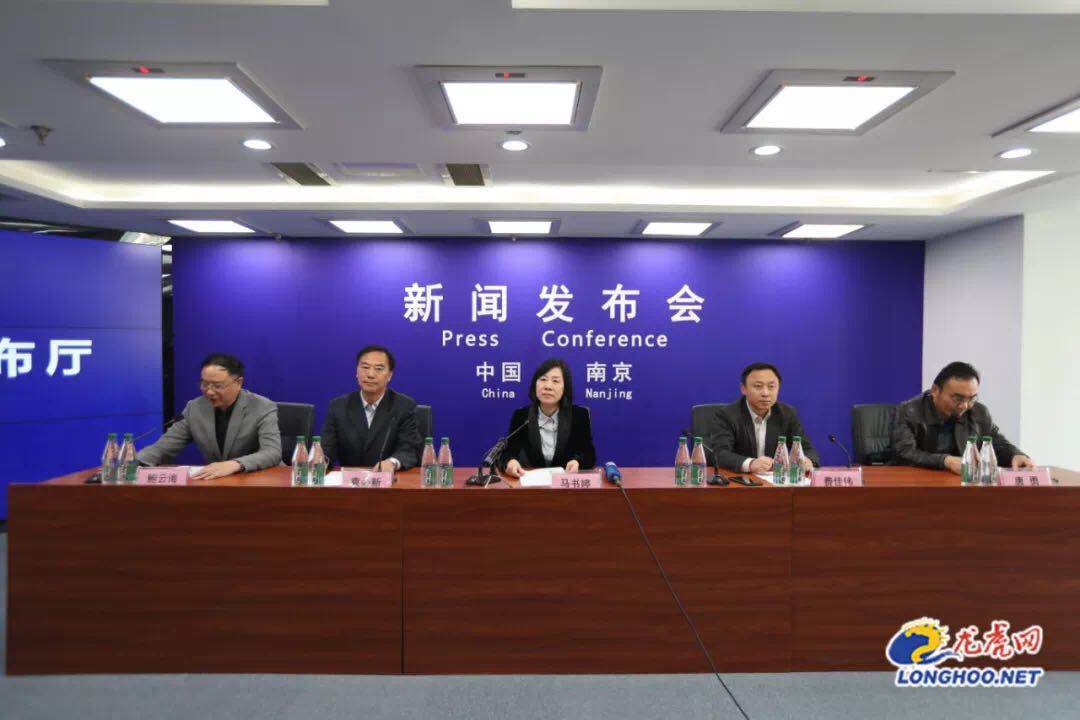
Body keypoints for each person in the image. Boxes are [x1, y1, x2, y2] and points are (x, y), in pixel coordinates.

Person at [136, 353, 281, 479]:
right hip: (217, 482)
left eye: (217, 386)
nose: (209, 392)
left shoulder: (262, 407)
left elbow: (272, 452)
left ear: (239, 383)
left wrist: (235, 464)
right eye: (205, 384)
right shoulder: (195, 408)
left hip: (260, 480)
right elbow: (164, 446)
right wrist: (133, 463)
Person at [891, 361, 1033, 474]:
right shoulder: (908, 411)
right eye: (957, 399)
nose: (964, 405)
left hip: (960, 483)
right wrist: (946, 461)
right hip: (918, 482)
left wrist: (1015, 454)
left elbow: (994, 440)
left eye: (971, 399)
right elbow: (904, 453)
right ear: (935, 390)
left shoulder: (979, 412)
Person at [703, 361, 820, 473]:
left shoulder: (787, 413)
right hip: (739, 479)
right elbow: (719, 453)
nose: (765, 393)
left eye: (771, 386)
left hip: (774, 480)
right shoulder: (727, 415)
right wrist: (750, 464)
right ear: (743, 389)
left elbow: (806, 448)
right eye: (758, 386)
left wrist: (808, 460)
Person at [320, 345, 422, 470]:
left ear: (390, 375)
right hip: (350, 480)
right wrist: (320, 460)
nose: (370, 374)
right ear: (357, 372)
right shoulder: (338, 406)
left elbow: (410, 449)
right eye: (365, 367)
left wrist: (392, 462)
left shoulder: (404, 406)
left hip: (390, 479)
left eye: (378, 369)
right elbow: (327, 449)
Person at [498, 358, 596, 477]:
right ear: (535, 384)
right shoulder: (522, 416)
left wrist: (577, 462)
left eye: (555, 381)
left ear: (565, 387)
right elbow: (508, 452)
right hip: (530, 483)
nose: (548, 386)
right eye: (543, 379)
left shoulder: (579, 415)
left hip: (565, 483)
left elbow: (589, 454)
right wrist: (510, 462)